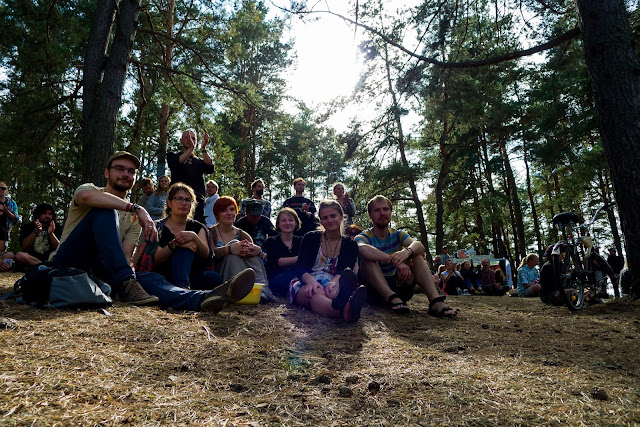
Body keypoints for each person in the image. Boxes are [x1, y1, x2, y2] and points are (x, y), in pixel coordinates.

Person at [48, 151, 160, 305]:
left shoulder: (133, 218)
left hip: (101, 272)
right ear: (107, 173)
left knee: (152, 279)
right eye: (119, 169)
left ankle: (191, 297)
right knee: (106, 210)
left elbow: (125, 257)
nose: (125, 174)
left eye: (131, 171)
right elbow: (84, 197)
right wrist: (136, 208)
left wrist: (129, 270)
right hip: (68, 263)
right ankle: (125, 283)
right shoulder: (90, 189)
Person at [355, 195, 457, 318]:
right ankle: (391, 297)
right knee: (367, 259)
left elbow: (418, 245)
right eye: (377, 210)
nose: (382, 213)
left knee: (417, 255)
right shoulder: (364, 236)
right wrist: (394, 261)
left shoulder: (398, 234)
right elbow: (361, 248)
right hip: (374, 291)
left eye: (385, 209)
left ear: (390, 212)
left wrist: (407, 252)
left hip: (400, 287)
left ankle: (435, 301)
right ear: (370, 215)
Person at [290, 200, 366, 322]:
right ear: (321, 221)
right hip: (306, 280)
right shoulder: (310, 238)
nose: (330, 220)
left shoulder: (350, 244)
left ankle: (343, 300)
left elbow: (344, 270)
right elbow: (300, 267)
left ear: (341, 216)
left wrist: (333, 282)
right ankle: (344, 310)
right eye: (325, 218)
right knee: (316, 292)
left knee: (333, 291)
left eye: (333, 216)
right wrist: (311, 282)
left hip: (334, 279)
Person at [151, 183, 222, 290]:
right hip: (165, 276)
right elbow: (155, 260)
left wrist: (194, 237)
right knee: (184, 249)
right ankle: (183, 289)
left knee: (215, 278)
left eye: (188, 200)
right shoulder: (158, 227)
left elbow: (206, 255)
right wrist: (175, 244)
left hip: (193, 276)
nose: (184, 203)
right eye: (179, 199)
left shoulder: (198, 227)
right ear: (169, 203)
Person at [209, 196, 269, 286]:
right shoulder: (210, 232)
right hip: (220, 273)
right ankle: (237, 288)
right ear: (217, 214)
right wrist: (229, 249)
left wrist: (258, 250)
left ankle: (261, 287)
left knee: (251, 253)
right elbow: (209, 255)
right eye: (224, 210)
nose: (229, 213)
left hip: (242, 271)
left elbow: (251, 256)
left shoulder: (242, 234)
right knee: (233, 252)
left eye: (232, 209)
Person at [167, 129, 215, 224]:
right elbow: (176, 164)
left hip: (197, 203)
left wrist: (203, 148)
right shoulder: (172, 156)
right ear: (181, 141)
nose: (190, 140)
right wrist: (190, 149)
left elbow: (210, 167)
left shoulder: (199, 161)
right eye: (187, 138)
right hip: (177, 201)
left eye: (193, 138)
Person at [262, 208, 302, 296]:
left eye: (291, 220)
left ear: (296, 223)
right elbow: (279, 262)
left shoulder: (301, 241)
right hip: (277, 280)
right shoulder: (271, 241)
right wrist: (301, 258)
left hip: (298, 278)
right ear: (278, 224)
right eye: (283, 220)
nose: (287, 223)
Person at [14, 203, 63, 270]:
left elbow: (59, 248)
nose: (47, 216)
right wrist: (35, 231)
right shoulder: (28, 227)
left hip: (50, 258)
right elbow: (25, 245)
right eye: (44, 213)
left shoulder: (57, 227)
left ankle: (43, 266)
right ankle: (44, 266)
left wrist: (51, 234)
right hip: (32, 258)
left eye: (50, 214)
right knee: (20, 256)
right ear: (38, 214)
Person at [0, 182, 20, 252]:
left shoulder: (12, 203)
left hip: (4, 231)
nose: (0, 189)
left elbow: (16, 219)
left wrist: (6, 211)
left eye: (3, 188)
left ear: (6, 191)